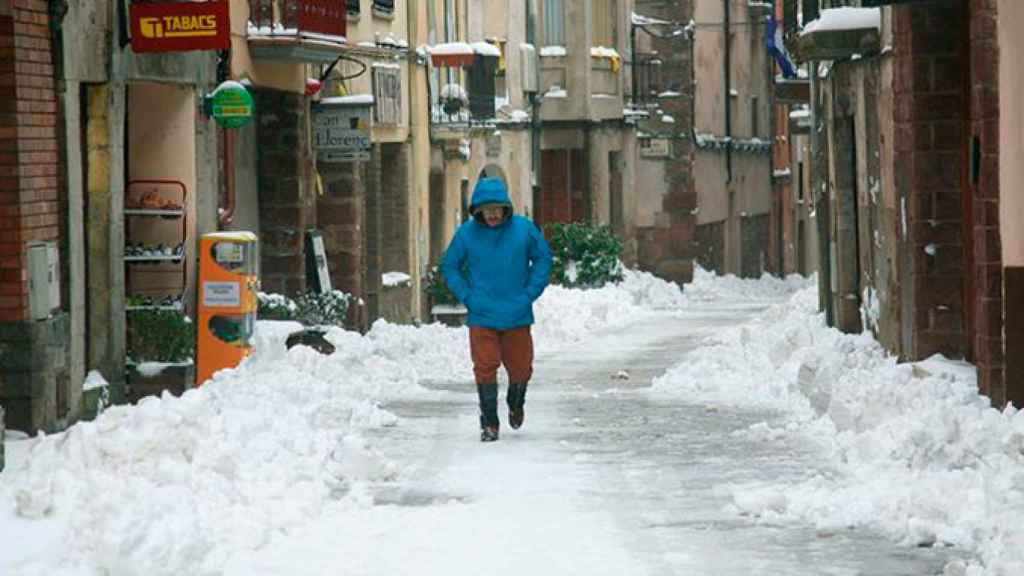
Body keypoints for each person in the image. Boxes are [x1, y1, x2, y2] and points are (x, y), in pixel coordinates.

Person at [442, 177, 553, 442]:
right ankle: (489, 422)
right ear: (477, 210)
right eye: (485, 208)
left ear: (506, 208)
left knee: (521, 368)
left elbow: (543, 259)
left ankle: (516, 402)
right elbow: (450, 266)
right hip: (482, 313)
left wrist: (528, 294)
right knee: (485, 366)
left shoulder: (524, 230)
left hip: (517, 312)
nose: (491, 214)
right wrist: (467, 296)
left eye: (496, 208)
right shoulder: (466, 234)